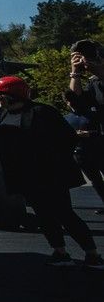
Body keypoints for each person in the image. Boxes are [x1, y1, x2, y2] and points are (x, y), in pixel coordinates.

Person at [0, 76, 101, 267]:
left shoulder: (42, 112)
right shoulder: (7, 116)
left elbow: (67, 139)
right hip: (26, 177)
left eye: (0, 95)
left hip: (50, 175)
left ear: (13, 96)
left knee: (65, 214)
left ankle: (92, 253)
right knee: (44, 215)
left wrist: (49, 160)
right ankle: (59, 251)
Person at [65, 42, 104, 202]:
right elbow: (75, 100)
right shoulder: (94, 83)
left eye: (87, 56)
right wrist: (75, 73)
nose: (84, 61)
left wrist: (97, 66)